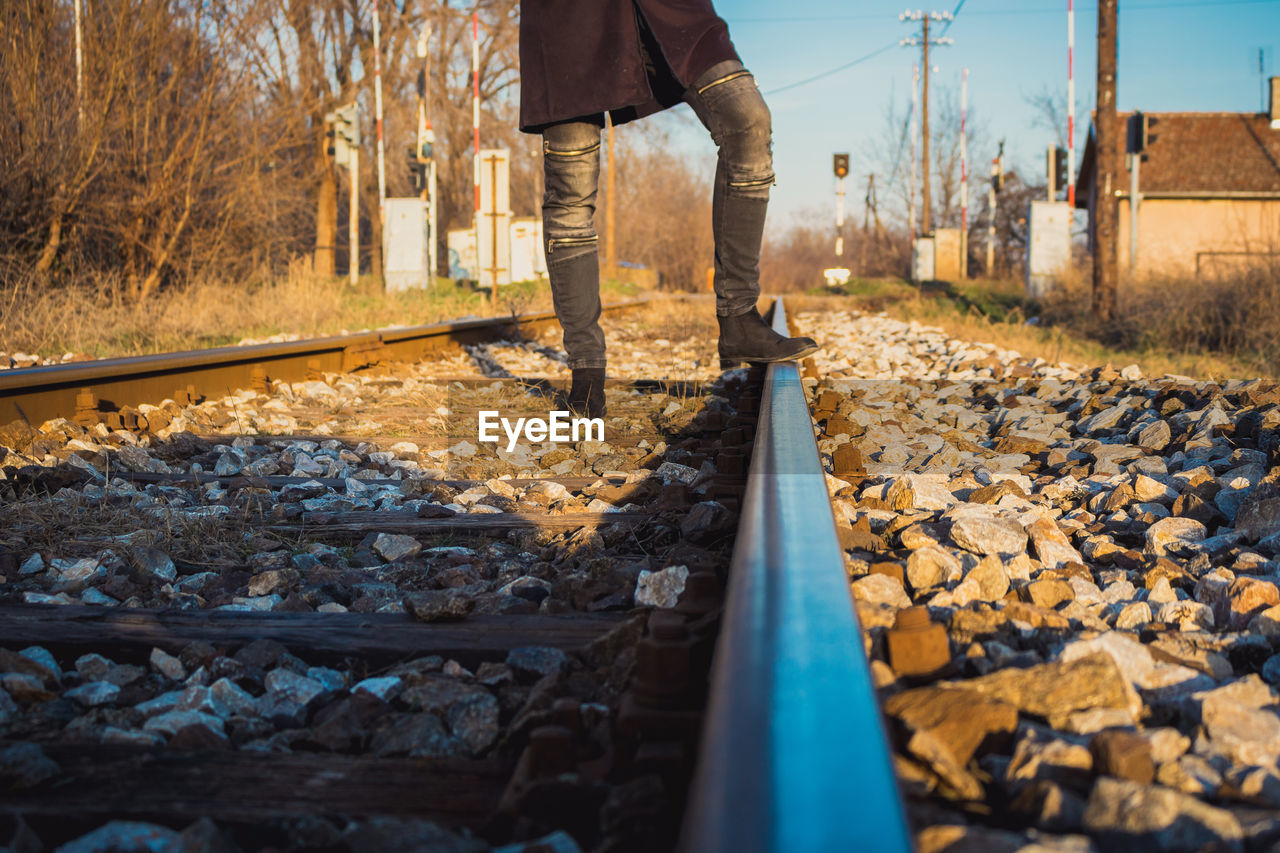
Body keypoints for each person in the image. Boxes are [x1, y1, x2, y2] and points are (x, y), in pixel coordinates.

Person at [519, 0, 818, 418]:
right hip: (571, 20)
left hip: (675, 10)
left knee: (747, 120)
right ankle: (586, 367)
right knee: (571, 195)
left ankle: (739, 319)